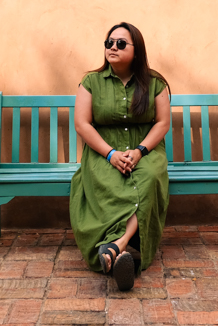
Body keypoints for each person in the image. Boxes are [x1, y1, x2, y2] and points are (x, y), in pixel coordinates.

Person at [69, 22, 171, 291]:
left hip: (145, 150)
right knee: (110, 183)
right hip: (102, 151)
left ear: (136, 51)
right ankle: (121, 252)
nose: (112, 47)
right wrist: (111, 154)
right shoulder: (91, 81)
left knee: (148, 177)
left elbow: (162, 123)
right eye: (109, 43)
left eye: (121, 43)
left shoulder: (155, 83)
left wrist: (139, 152)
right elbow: (82, 124)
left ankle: (115, 247)